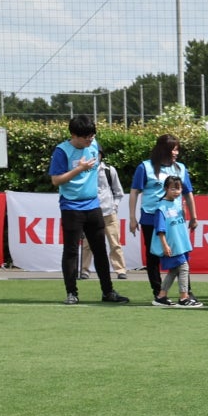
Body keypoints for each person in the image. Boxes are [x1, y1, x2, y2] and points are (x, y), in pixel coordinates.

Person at [50, 115, 132, 306]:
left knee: (100, 250)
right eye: (85, 137)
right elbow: (56, 180)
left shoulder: (94, 146)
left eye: (92, 136)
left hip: (93, 206)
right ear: (73, 135)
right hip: (71, 207)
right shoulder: (62, 151)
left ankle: (108, 291)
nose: (89, 140)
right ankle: (72, 293)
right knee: (71, 251)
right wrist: (79, 169)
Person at [131, 135, 198, 303]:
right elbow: (134, 192)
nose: (176, 153)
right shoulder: (145, 167)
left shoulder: (181, 168)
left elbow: (188, 193)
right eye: (173, 149)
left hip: (174, 220)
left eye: (177, 149)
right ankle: (159, 293)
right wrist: (132, 217)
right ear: (163, 149)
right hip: (150, 217)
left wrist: (193, 216)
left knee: (181, 255)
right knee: (153, 255)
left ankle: (186, 292)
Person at [147, 176, 199, 307]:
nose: (176, 191)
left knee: (174, 271)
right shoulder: (161, 208)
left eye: (179, 188)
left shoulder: (177, 202)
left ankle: (161, 296)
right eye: (173, 189)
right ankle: (184, 298)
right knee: (184, 267)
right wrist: (165, 245)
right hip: (171, 245)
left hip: (180, 244)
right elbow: (160, 229)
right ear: (166, 189)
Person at [77, 156, 128, 282]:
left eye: (97, 154)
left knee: (115, 243)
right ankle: (84, 270)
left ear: (101, 155)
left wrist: (114, 206)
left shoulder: (109, 170)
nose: (95, 157)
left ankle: (120, 270)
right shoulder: (83, 169)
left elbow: (118, 192)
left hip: (109, 213)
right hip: (91, 212)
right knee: (87, 244)